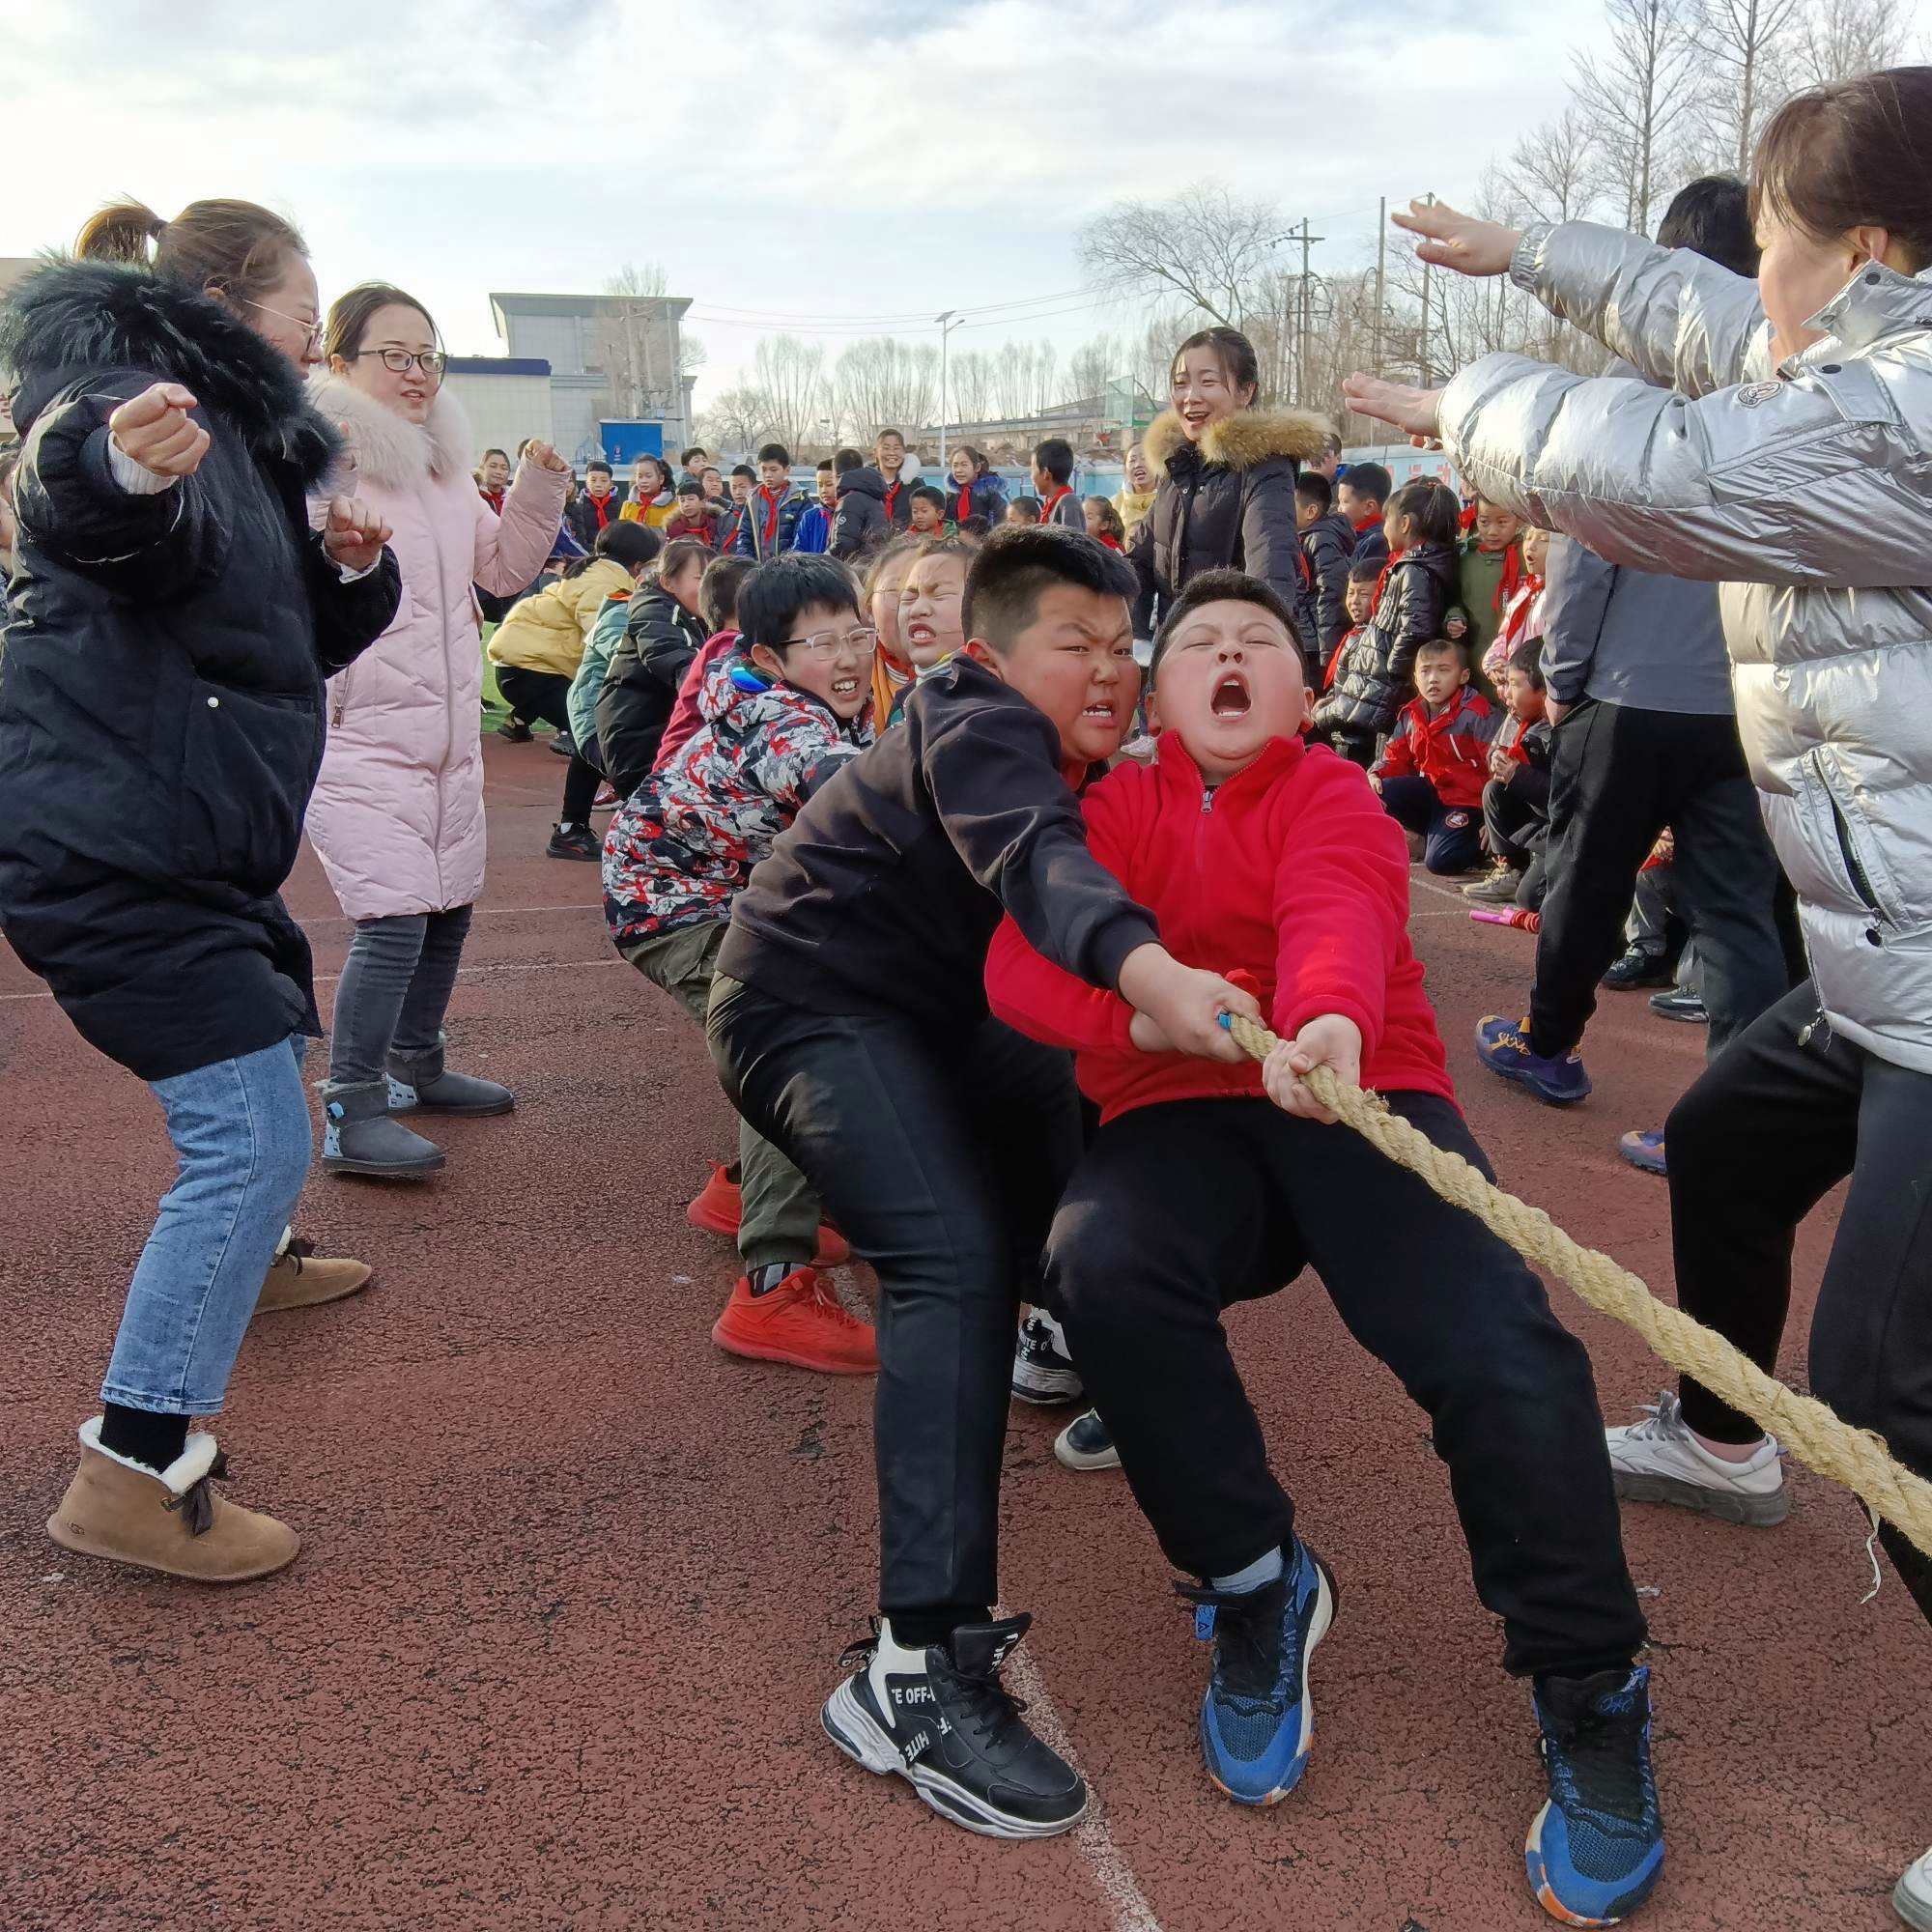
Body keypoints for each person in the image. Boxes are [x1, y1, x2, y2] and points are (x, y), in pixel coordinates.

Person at [1344, 74, 1932, 1917]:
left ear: (1868, 253)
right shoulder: (1859, 355)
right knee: (1735, 1149)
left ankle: (1798, 1428)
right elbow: (1708, 326)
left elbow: (1669, 471)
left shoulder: (1904, 413)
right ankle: (1727, 1435)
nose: (1754, 275)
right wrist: (1533, 253)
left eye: (1778, 237)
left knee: (1892, 1383)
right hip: (1889, 955)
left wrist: (1461, 409)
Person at [984, 570, 1660, 1925]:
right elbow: (1021, 966)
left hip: (1362, 1092)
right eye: (1198, 644)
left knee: (1501, 1348)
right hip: (1176, 1107)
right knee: (1099, 1268)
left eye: (1259, 643)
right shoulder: (1105, 811)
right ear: (1159, 697)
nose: (1228, 656)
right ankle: (1253, 1580)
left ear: (1304, 691)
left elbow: (1338, 906)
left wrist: (1332, 1022)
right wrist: (1149, 1023)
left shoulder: (1335, 791)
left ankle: (1591, 1682)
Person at [707, 526, 1263, 1842]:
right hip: (807, 1005)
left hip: (940, 1013)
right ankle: (913, 1667)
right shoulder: (974, 716)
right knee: (944, 1257)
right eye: (1075, 643)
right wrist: (1149, 972)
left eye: (1122, 644)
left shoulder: (1099, 752)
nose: (1110, 668)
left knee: (1078, 1110)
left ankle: (1066, 1327)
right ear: (991, 653)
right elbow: (1039, 862)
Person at [0, 197, 400, 1580]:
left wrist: (347, 572)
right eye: (308, 308)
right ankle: (133, 1463)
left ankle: (257, 1253)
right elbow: (77, 490)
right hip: (112, 842)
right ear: (232, 305)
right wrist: (115, 464)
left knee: (273, 1016)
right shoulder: (128, 387)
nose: (317, 335)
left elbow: (267, 638)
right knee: (248, 1139)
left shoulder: (246, 443)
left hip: (184, 832)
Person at [306, 283, 570, 1180]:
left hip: (448, 735)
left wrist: (537, 489)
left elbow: (502, 572)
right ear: (340, 363)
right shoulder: (319, 462)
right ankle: (352, 1106)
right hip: (357, 731)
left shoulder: (443, 470)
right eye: (395, 355)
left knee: (449, 907)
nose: (417, 373)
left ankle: (417, 1063)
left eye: (428, 356)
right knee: (392, 919)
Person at [605, 554, 876, 1369]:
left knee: (830, 1017)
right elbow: (837, 781)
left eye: (857, 635)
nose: (848, 657)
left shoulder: (819, 701)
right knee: (792, 1047)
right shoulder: (780, 719)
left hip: (720, 899)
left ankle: (742, 1189)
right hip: (674, 908)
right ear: (768, 657)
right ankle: (774, 1287)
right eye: (822, 644)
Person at [1130, 327, 1326, 629]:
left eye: (1208, 382)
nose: (1190, 397)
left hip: (1227, 647)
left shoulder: (1264, 467)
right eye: (1181, 384)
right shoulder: (1177, 466)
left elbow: (1271, 573)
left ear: (1245, 391)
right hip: (1173, 645)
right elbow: (1141, 561)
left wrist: (1258, 641)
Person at [488, 521, 659, 857]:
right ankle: (580, 826)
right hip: (532, 665)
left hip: (526, 662)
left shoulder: (594, 571)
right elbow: (603, 632)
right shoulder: (607, 582)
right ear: (638, 563)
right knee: (593, 734)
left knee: (591, 730)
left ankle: (522, 720)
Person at [1311, 476, 1460, 764]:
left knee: (1338, 735)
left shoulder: (1414, 570)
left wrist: (1392, 669)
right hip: (1376, 679)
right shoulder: (1408, 566)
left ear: (1404, 524)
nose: (1383, 529)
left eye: (1386, 521)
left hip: (1383, 685)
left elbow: (1416, 628)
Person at [594, 535, 710, 800]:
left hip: (641, 734)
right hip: (639, 744)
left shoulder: (690, 614)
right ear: (668, 582)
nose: (709, 587)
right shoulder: (657, 612)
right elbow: (675, 659)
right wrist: (717, 688)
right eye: (699, 577)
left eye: (711, 578)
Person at [1370, 636, 1497, 874]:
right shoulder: (1412, 713)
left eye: (1443, 670)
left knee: (1440, 862)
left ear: (1464, 676)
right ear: (1415, 678)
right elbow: (1393, 758)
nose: (1433, 679)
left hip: (1468, 802)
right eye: (1425, 671)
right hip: (1433, 793)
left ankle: (1480, 846)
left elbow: (1499, 770)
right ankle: (1430, 838)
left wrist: (1494, 820)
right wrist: (1375, 774)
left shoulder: (1477, 714)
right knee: (1377, 791)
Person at [1468, 641, 1555, 908]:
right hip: (1539, 819)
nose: (1505, 693)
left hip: (1562, 828)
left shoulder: (1564, 729)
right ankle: (1512, 869)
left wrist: (1519, 776)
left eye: (1514, 684)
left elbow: (1567, 799)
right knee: (1494, 790)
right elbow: (1498, 752)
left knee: (1531, 899)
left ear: (1544, 691)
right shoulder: (1520, 716)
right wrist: (1500, 762)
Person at [655, 552, 758, 774]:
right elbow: (746, 685)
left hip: (690, 765)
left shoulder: (726, 643)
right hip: (682, 772)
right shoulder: (727, 647)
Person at [1456, 495, 1527, 668]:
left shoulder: (1528, 556)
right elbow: (1455, 598)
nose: (1492, 531)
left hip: (1520, 654)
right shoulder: (1466, 558)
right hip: (1476, 650)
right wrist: (1454, 618)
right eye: (1484, 522)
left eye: (1502, 522)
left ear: (1518, 519)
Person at [1295, 469, 1357, 668]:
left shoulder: (1321, 538)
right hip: (1309, 638)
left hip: (1316, 645)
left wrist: (1327, 653)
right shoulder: (1307, 537)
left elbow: (1332, 593)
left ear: (1311, 511)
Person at [731, 442, 810, 560]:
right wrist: (748, 563)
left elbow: (800, 541)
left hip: (789, 567)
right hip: (759, 567)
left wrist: (786, 565)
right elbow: (745, 536)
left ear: (787, 470)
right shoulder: (753, 499)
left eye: (773, 470)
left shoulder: (800, 500)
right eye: (763, 469)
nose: (768, 475)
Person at [829, 444, 888, 558]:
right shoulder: (874, 496)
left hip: (857, 566)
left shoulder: (850, 500)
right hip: (875, 564)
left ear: (836, 475)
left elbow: (844, 545)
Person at [1337, 460, 1391, 573]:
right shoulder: (1355, 535)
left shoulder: (1376, 542)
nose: (1339, 509)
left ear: (1369, 507)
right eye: (1339, 501)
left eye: (1345, 502)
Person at [566, 459, 625, 547]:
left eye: (604, 481)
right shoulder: (578, 508)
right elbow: (579, 538)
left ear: (611, 483)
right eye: (593, 480)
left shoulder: (622, 507)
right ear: (587, 483)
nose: (598, 485)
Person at [947, 443, 1008, 528]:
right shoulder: (952, 494)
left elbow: (1001, 521)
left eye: (964, 465)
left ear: (977, 467)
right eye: (955, 465)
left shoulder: (989, 493)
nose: (958, 470)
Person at [1030, 435, 1082, 530]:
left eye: (1033, 469)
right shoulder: (1051, 502)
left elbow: (1074, 538)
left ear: (1046, 474)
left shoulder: (1068, 502)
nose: (1031, 477)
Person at [1113, 439, 1157, 543]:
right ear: (1125, 469)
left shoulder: (1170, 500)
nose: (1138, 465)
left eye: (1144, 458)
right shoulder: (1114, 505)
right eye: (1132, 461)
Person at [874, 427, 918, 529]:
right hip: (872, 537)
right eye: (886, 448)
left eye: (896, 448)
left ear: (904, 452)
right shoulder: (866, 483)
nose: (892, 453)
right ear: (875, 452)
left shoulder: (915, 485)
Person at [791, 460, 838, 553]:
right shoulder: (809, 517)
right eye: (820, 485)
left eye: (829, 484)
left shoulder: (850, 515)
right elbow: (798, 551)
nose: (824, 490)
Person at [620, 451, 675, 530]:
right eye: (640, 476)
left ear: (661, 479)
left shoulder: (674, 507)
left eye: (648, 476)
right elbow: (621, 532)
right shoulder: (628, 505)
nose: (643, 481)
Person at [664, 476, 723, 549]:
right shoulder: (673, 528)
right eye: (682, 500)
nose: (686, 504)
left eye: (691, 499)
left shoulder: (716, 523)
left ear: (703, 502)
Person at [721, 463, 756, 552]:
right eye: (734, 488)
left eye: (742, 487)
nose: (738, 492)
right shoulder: (724, 517)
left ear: (754, 487)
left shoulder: (761, 514)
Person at [476, 446, 511, 513]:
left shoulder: (513, 497)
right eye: (493, 466)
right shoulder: (475, 495)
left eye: (504, 468)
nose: (498, 472)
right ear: (482, 468)